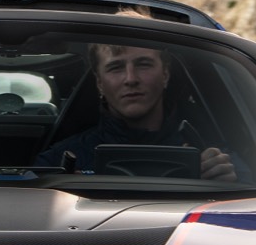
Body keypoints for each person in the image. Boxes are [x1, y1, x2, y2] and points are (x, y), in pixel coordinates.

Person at [35, 41, 238, 181]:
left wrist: (227, 181)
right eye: (116, 68)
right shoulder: (58, 162)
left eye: (143, 64)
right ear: (99, 84)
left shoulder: (213, 159)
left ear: (165, 74)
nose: (131, 78)